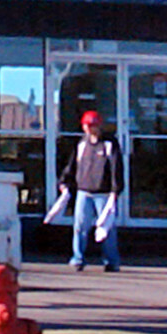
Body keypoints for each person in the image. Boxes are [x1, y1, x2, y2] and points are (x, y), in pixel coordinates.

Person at [57, 110, 122, 272]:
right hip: (83, 192)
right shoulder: (81, 144)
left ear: (98, 126)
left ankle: (111, 261)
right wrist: (64, 180)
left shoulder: (109, 144)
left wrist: (116, 190)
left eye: (91, 125)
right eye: (85, 125)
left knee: (106, 228)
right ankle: (78, 258)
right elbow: (73, 164)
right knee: (80, 227)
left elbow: (116, 168)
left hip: (104, 193)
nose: (87, 129)